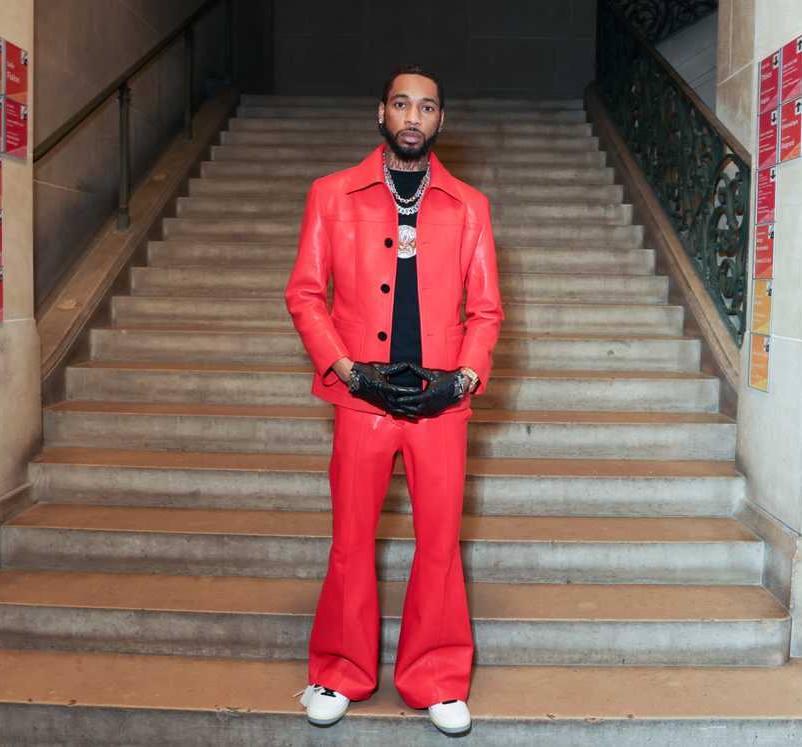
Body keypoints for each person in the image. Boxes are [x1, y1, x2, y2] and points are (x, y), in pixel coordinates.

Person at [284, 65, 503, 737]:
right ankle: (338, 669)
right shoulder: (331, 195)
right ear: (380, 112)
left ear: (441, 121)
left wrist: (461, 380)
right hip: (363, 399)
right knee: (351, 541)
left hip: (441, 403)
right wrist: (349, 372)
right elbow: (304, 293)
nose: (414, 116)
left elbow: (487, 310)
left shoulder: (469, 206)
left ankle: (436, 677)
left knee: (439, 544)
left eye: (427, 107)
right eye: (402, 104)